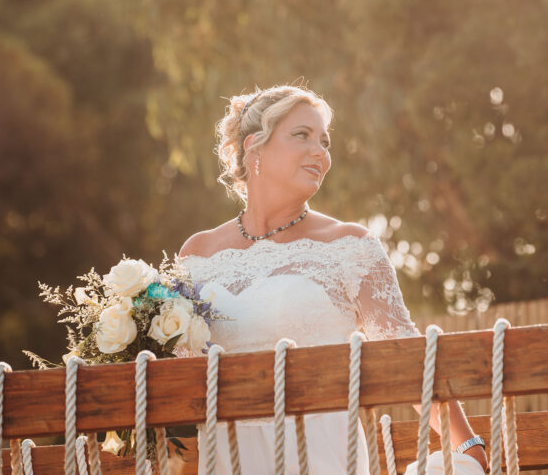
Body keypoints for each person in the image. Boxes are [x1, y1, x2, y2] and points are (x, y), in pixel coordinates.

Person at [178, 84, 487, 474]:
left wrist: (468, 445)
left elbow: (403, 353)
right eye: (302, 136)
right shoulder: (198, 253)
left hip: (322, 455)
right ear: (254, 147)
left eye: (324, 142)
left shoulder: (350, 245)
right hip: (227, 458)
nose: (320, 152)